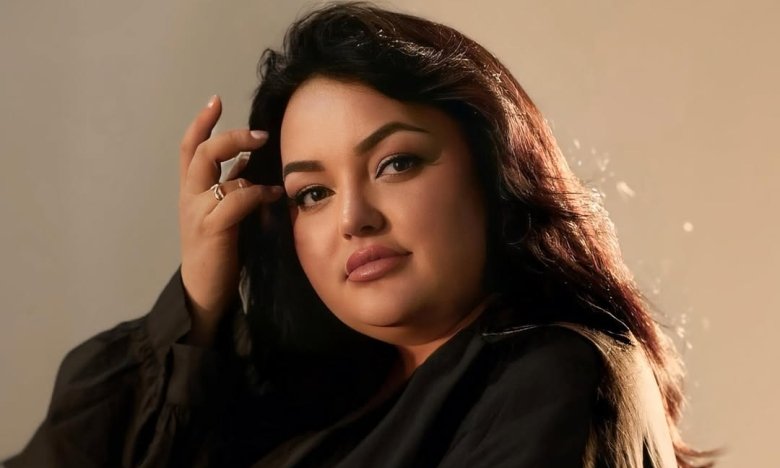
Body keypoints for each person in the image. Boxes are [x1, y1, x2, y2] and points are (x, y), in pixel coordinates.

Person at [5, 2, 717, 467]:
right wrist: (199, 302)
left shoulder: (556, 373)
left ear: (495, 167)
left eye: (396, 163)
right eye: (313, 193)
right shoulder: (306, 398)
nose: (353, 219)